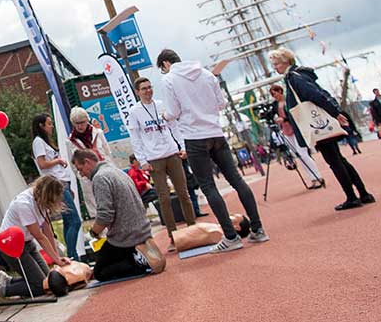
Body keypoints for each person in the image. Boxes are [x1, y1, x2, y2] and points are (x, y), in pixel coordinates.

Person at [157, 48, 268, 252]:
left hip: (193, 136)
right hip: (216, 132)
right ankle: (258, 228)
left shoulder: (169, 80)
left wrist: (165, 116)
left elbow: (173, 112)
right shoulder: (206, 73)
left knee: (208, 186)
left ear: (165, 64)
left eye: (162, 69)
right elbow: (221, 103)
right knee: (236, 180)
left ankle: (230, 236)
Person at [269, 49, 375, 211]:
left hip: (317, 124)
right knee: (339, 159)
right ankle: (363, 193)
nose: (275, 67)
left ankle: (352, 197)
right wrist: (335, 111)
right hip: (321, 121)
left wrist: (335, 113)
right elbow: (319, 93)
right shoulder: (300, 75)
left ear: (285, 62)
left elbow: (315, 95)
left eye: (276, 64)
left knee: (334, 161)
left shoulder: (294, 78)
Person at [71, 149, 165, 280]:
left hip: (124, 236)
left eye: (80, 169)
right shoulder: (115, 170)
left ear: (87, 162)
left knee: (100, 273)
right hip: (142, 229)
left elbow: (105, 215)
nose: (81, 174)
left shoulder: (100, 178)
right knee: (106, 258)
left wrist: (94, 232)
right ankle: (137, 254)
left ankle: (138, 262)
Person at [127, 77, 196, 251]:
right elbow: (135, 139)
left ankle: (193, 229)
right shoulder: (134, 112)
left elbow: (174, 127)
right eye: (144, 88)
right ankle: (173, 236)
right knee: (164, 198)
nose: (148, 91)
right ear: (137, 92)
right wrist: (142, 161)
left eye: (150, 87)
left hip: (172, 153)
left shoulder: (161, 105)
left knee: (183, 193)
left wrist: (182, 146)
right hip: (154, 159)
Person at [0, 176, 70, 300]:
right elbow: (39, 236)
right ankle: (2, 290)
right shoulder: (24, 204)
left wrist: (57, 257)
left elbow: (48, 230)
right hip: (11, 246)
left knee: (48, 281)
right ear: (46, 194)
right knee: (40, 287)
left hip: (28, 243)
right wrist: (56, 260)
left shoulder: (41, 200)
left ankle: (9, 281)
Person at [31, 113, 81, 259]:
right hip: (56, 183)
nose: (51, 126)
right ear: (41, 126)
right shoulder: (38, 142)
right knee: (75, 220)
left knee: (68, 219)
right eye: (49, 124)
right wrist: (58, 161)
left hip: (62, 182)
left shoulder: (45, 142)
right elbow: (42, 163)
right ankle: (73, 255)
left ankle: (71, 255)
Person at [268, 84, 325, 189]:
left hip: (296, 129)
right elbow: (271, 115)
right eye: (272, 95)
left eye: (275, 93)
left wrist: (284, 120)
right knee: (298, 155)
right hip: (286, 131)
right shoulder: (275, 105)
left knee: (303, 154)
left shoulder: (289, 101)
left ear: (280, 91)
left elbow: (296, 115)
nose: (274, 96)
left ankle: (318, 176)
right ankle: (312, 178)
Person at [68, 106, 111, 217]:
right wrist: (81, 177)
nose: (79, 126)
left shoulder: (98, 133)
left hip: (104, 172)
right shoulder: (70, 141)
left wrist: (110, 169)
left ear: (87, 120)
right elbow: (73, 163)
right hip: (87, 178)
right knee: (95, 207)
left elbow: (107, 152)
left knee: (110, 200)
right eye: (76, 123)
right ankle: (101, 232)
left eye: (82, 122)